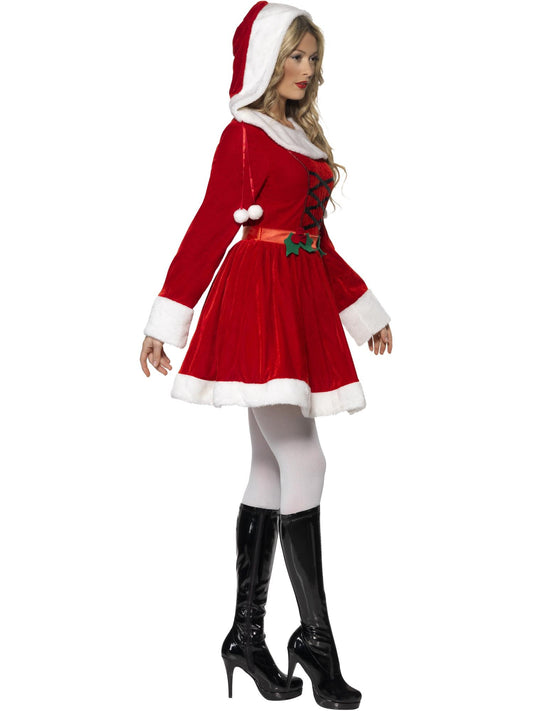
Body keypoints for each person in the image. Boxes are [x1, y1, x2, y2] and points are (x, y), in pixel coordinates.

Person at [140, 2, 392, 708]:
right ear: (266, 60)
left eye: (313, 59)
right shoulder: (245, 135)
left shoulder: (300, 137)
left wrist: (361, 311)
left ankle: (245, 636)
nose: (306, 70)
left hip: (300, 294)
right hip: (259, 298)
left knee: (271, 465)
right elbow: (208, 223)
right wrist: (167, 316)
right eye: (295, 56)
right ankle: (315, 641)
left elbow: (318, 242)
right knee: (305, 459)